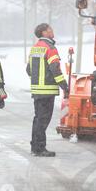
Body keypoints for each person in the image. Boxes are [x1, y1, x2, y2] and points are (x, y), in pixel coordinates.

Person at [27, 23, 69, 157]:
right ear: (44, 33)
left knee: (38, 119)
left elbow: (29, 69)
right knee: (43, 120)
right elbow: (55, 68)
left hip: (37, 90)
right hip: (47, 90)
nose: (52, 31)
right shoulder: (50, 48)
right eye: (50, 29)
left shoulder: (34, 48)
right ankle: (39, 148)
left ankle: (35, 146)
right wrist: (64, 85)